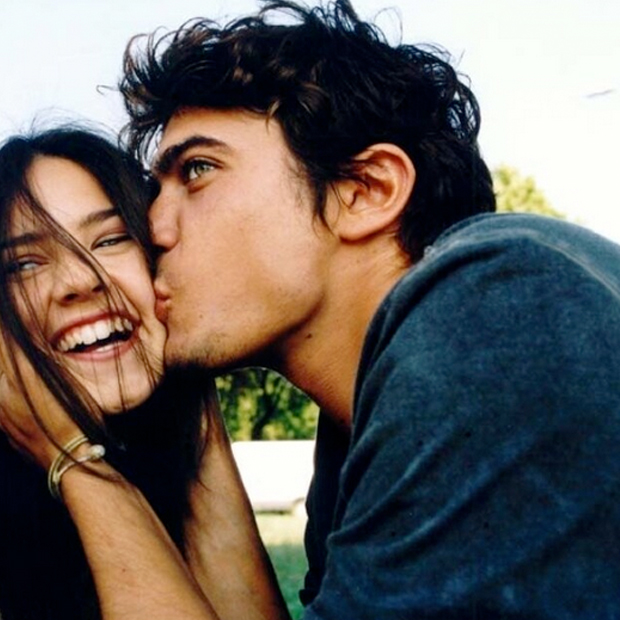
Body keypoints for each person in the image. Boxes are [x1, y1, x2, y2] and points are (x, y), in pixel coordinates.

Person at [3, 1, 620, 618]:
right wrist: (189, 397)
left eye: (197, 171)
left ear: (365, 191)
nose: (154, 230)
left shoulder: (497, 303)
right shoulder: (355, 435)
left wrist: (75, 462)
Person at [0, 126, 222, 620]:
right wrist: (72, 458)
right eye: (24, 265)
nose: (81, 280)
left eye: (111, 239)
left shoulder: (166, 456)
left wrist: (193, 376)